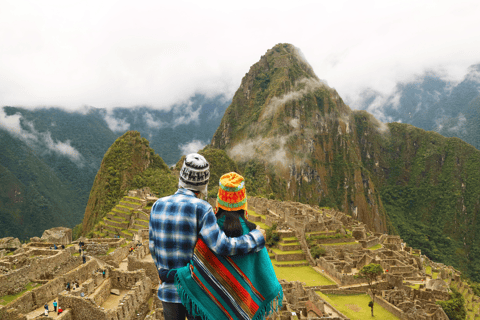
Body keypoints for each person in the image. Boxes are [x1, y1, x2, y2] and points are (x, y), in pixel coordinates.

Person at [149, 154, 266, 320]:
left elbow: (152, 247)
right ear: (203, 185)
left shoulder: (157, 205)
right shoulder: (202, 209)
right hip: (194, 293)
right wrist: (256, 238)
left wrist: (162, 272)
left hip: (168, 291)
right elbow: (222, 246)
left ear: (181, 178)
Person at [173, 172, 283, 320]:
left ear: (219, 202)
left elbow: (195, 273)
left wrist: (172, 274)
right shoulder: (254, 233)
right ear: (244, 203)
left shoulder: (208, 232)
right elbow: (266, 279)